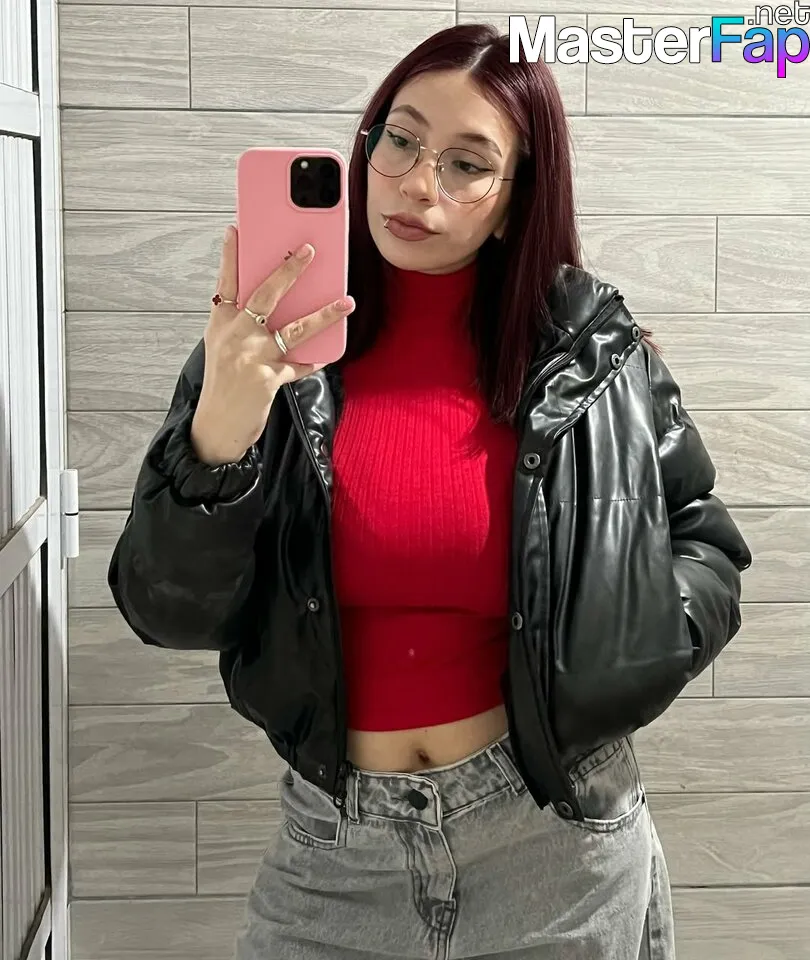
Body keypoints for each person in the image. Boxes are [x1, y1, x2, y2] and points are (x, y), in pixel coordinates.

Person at [107, 22, 752, 960]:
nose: (418, 184)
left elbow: (705, 542)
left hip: (555, 844)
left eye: (467, 165)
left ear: (515, 199)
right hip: (335, 850)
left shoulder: (590, 355)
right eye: (401, 141)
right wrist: (220, 436)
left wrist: (625, 656)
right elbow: (165, 611)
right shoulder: (262, 354)